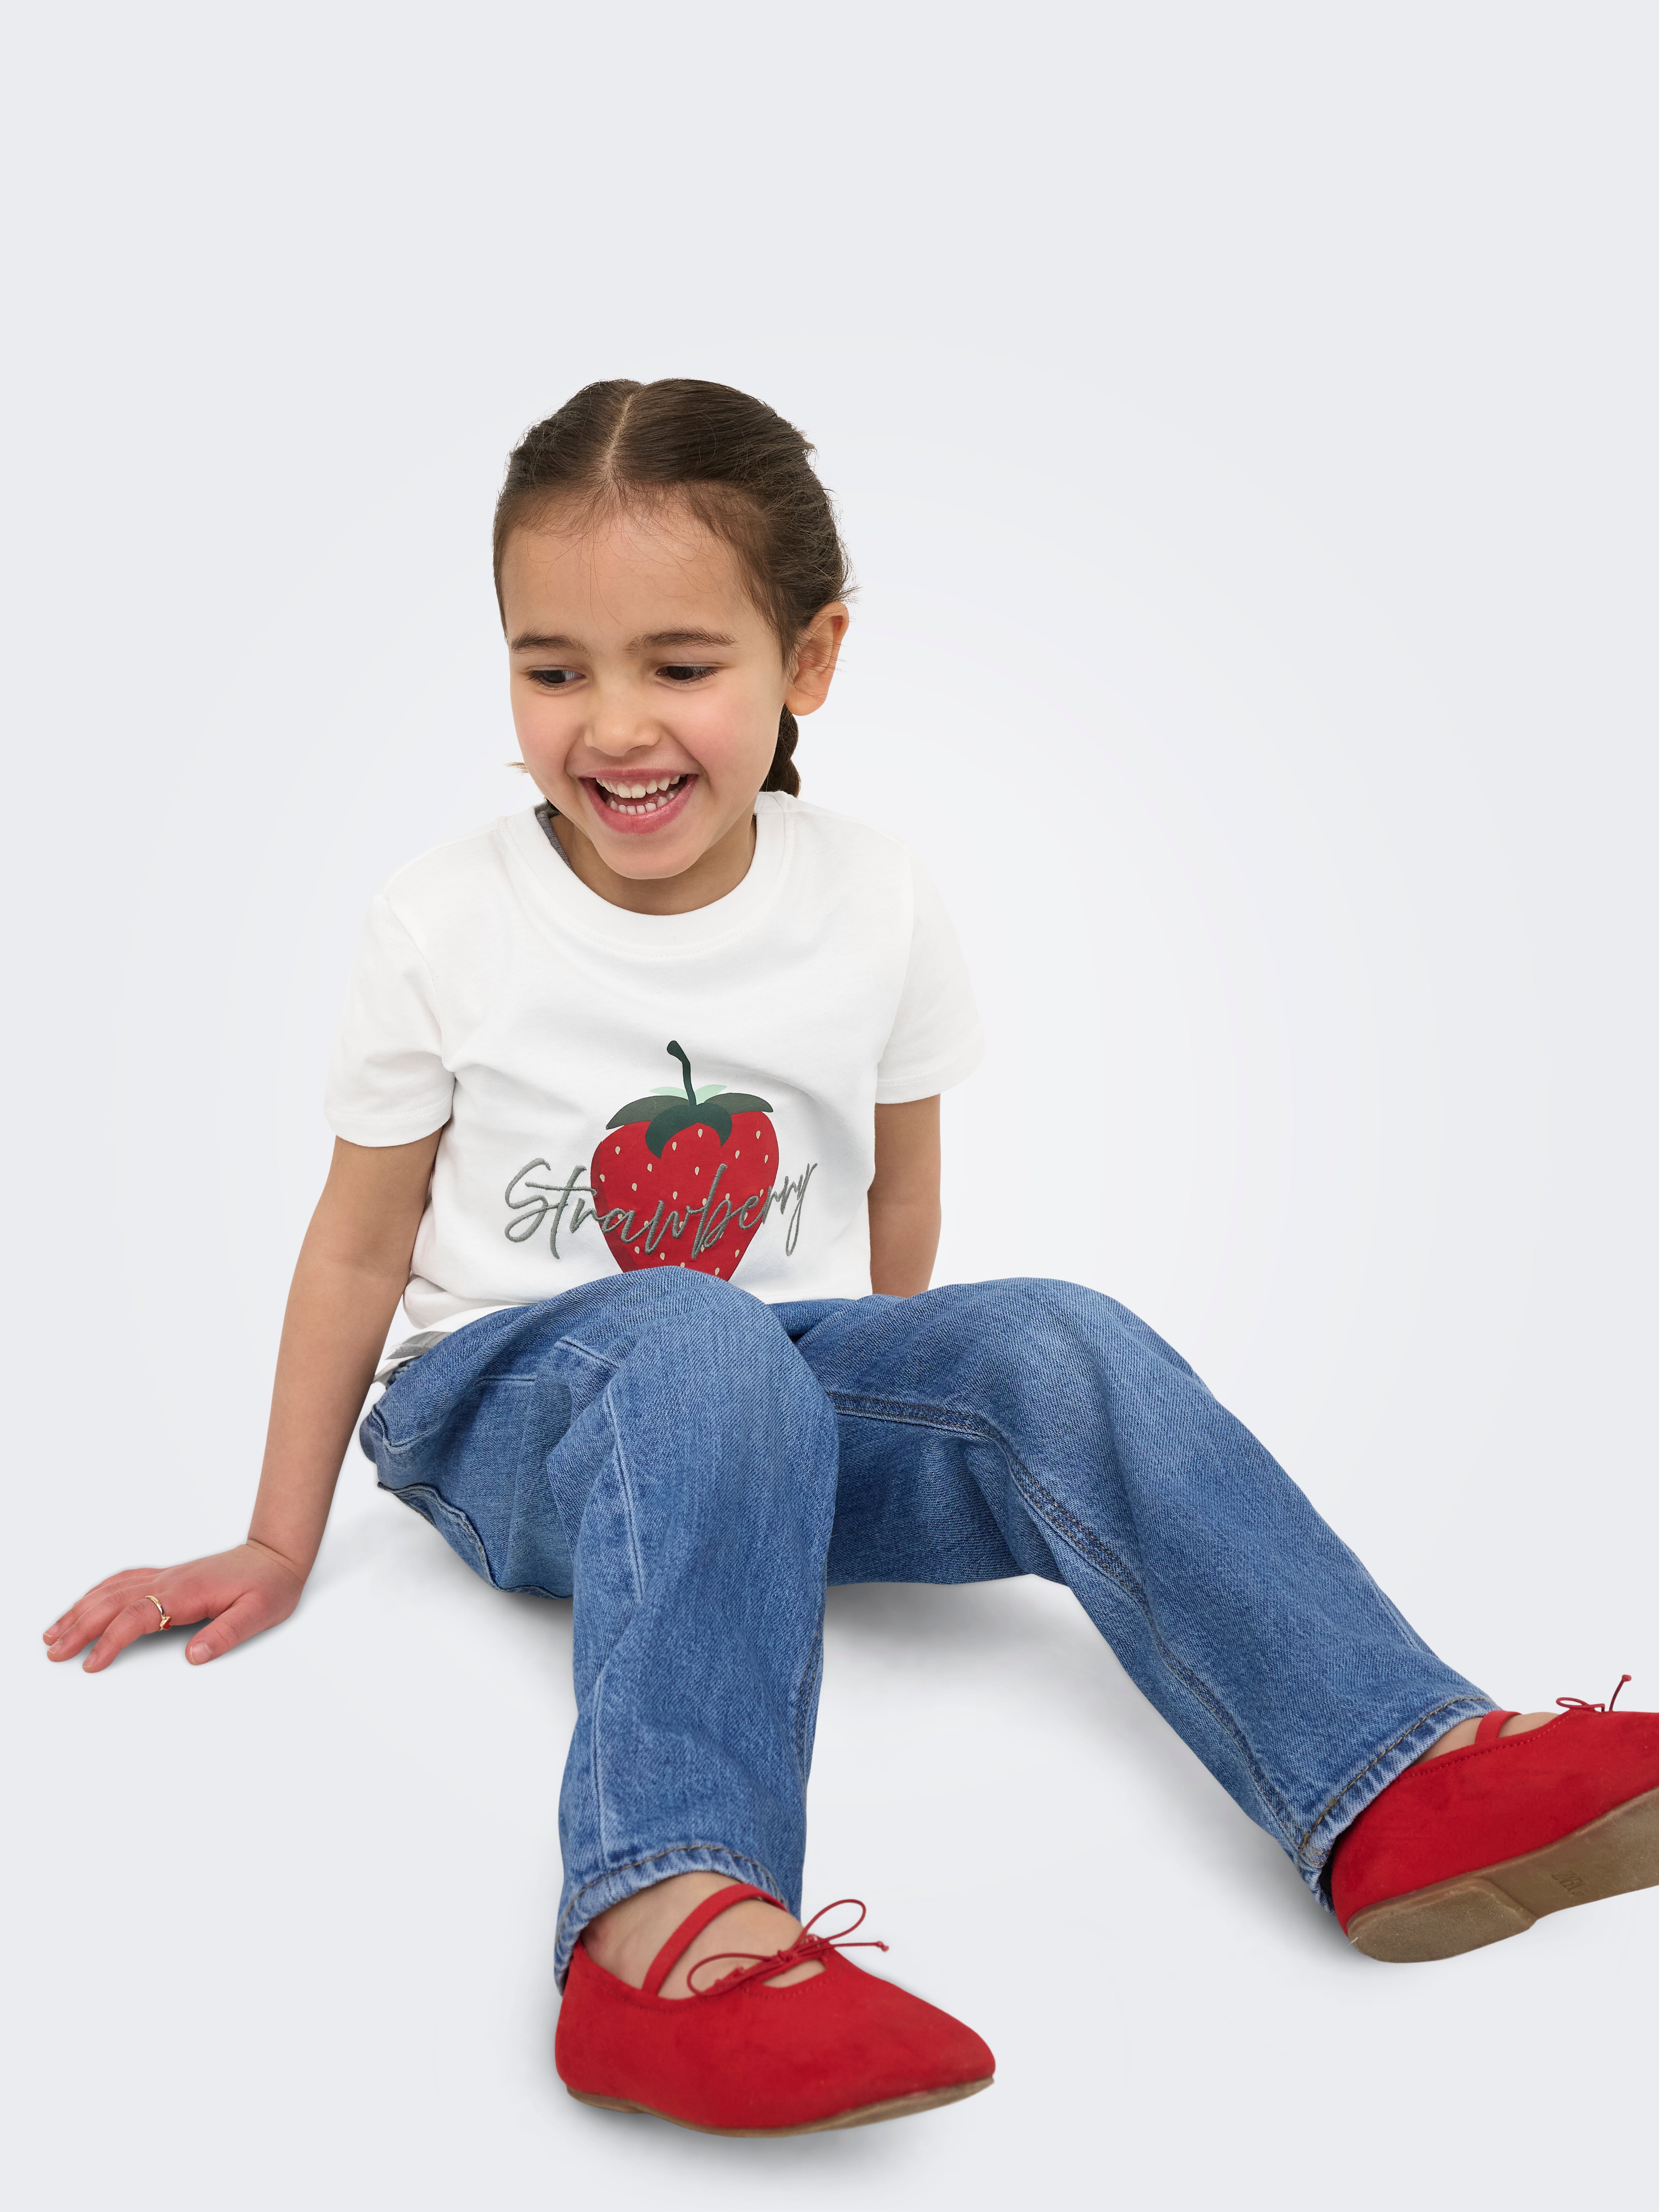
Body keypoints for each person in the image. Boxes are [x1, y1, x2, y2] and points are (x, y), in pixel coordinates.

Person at [43, 379, 1658, 2139]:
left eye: (679, 663)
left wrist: (881, 1414)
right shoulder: (445, 919)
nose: (612, 724)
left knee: (1054, 1336)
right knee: (693, 1330)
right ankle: (663, 1922)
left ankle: (1391, 1773)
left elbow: (903, 1202)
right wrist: (278, 1537)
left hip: (764, 1382)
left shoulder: (874, 896)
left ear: (808, 658)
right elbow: (360, 1245)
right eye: (553, 668)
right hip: (503, 1413)